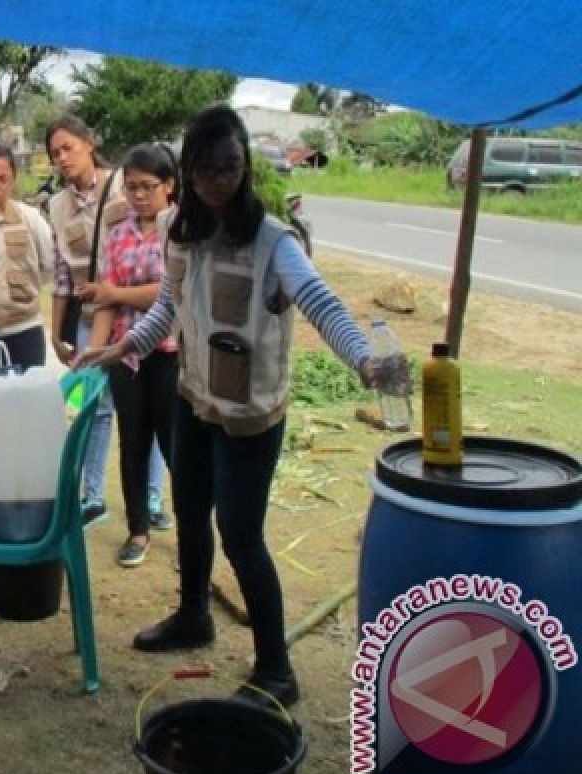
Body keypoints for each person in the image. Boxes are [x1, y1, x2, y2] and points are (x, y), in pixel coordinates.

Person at [77, 106, 396, 709]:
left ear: (244, 166)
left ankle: (276, 670)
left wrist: (366, 362)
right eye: (209, 168)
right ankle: (195, 614)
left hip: (251, 414)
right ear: (189, 172)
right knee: (190, 510)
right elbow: (167, 307)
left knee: (242, 537)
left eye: (233, 165)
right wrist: (124, 347)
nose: (222, 178)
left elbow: (322, 303)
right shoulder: (180, 233)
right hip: (196, 397)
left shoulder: (274, 241)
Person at [45, 115, 170, 531]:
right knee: (99, 411)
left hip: (164, 342)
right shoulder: (58, 206)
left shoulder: (130, 192)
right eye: (55, 152)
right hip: (107, 328)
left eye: (69, 148)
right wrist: (65, 336)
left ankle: (155, 501)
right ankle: (95, 498)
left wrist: (113, 295)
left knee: (160, 430)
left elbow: (170, 289)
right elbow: (66, 274)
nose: (62, 158)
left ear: (89, 144)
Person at [76, 144, 180, 568]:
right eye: (131, 187)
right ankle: (137, 530)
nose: (138, 196)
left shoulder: (181, 233)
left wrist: (114, 293)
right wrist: (95, 353)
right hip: (127, 356)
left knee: (177, 448)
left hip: (171, 354)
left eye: (147, 187)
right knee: (132, 443)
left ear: (169, 186)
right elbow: (105, 302)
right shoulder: (117, 235)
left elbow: (169, 290)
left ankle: (193, 532)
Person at [0, 143, 54, 370]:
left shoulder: (31, 219)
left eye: (2, 179)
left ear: (12, 182)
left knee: (26, 403)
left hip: (24, 330)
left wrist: (24, 292)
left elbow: (49, 266)